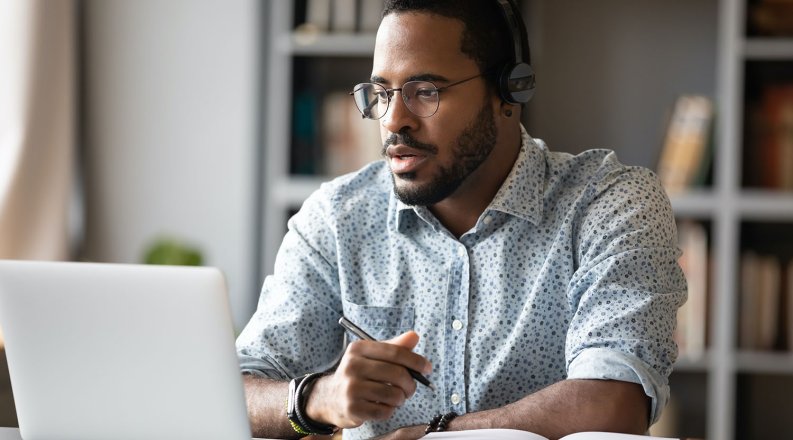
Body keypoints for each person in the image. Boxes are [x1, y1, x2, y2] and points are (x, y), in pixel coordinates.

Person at [236, 0, 687, 439]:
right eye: (381, 94)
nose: (394, 121)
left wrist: (436, 435)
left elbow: (612, 403)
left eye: (425, 92)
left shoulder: (608, 204)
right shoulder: (338, 219)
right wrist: (315, 399)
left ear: (509, 91)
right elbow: (236, 390)